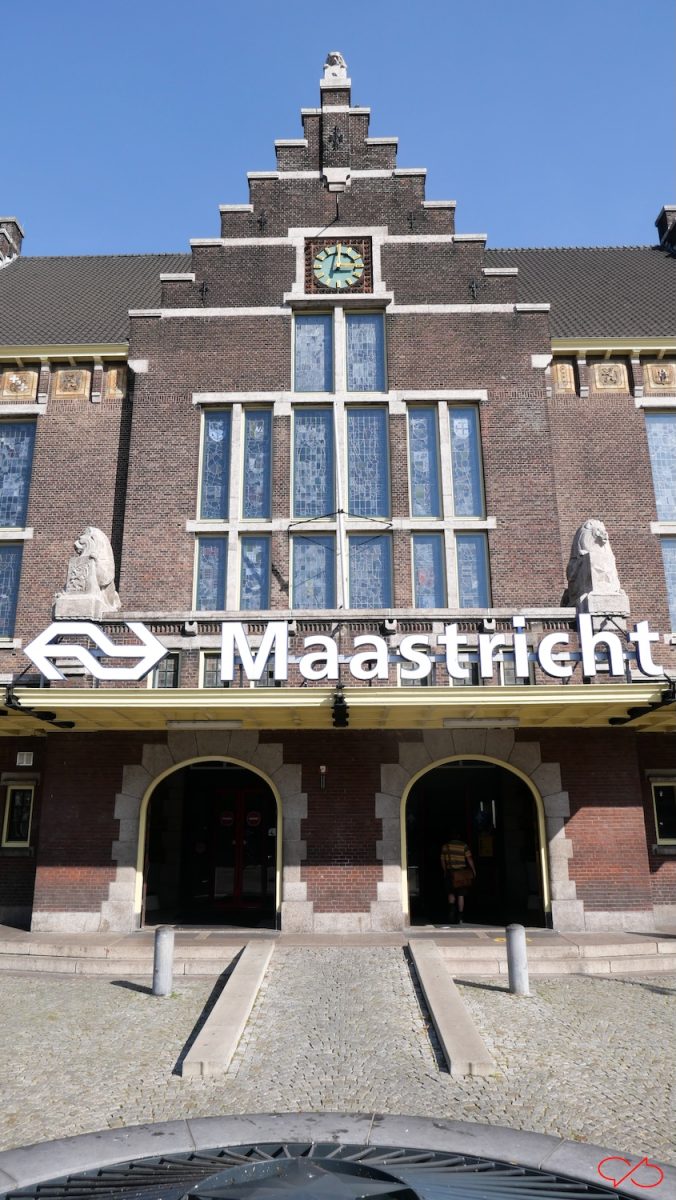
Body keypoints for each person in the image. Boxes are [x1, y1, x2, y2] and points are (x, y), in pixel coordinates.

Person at [440, 833, 476, 924]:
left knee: (451, 893)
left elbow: (442, 860)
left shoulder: (445, 846)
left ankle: (451, 913)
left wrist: (445, 871)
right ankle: (460, 917)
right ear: (458, 837)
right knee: (461, 894)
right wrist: (473, 870)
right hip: (461, 873)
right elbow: (469, 859)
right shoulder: (464, 845)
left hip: (450, 872)